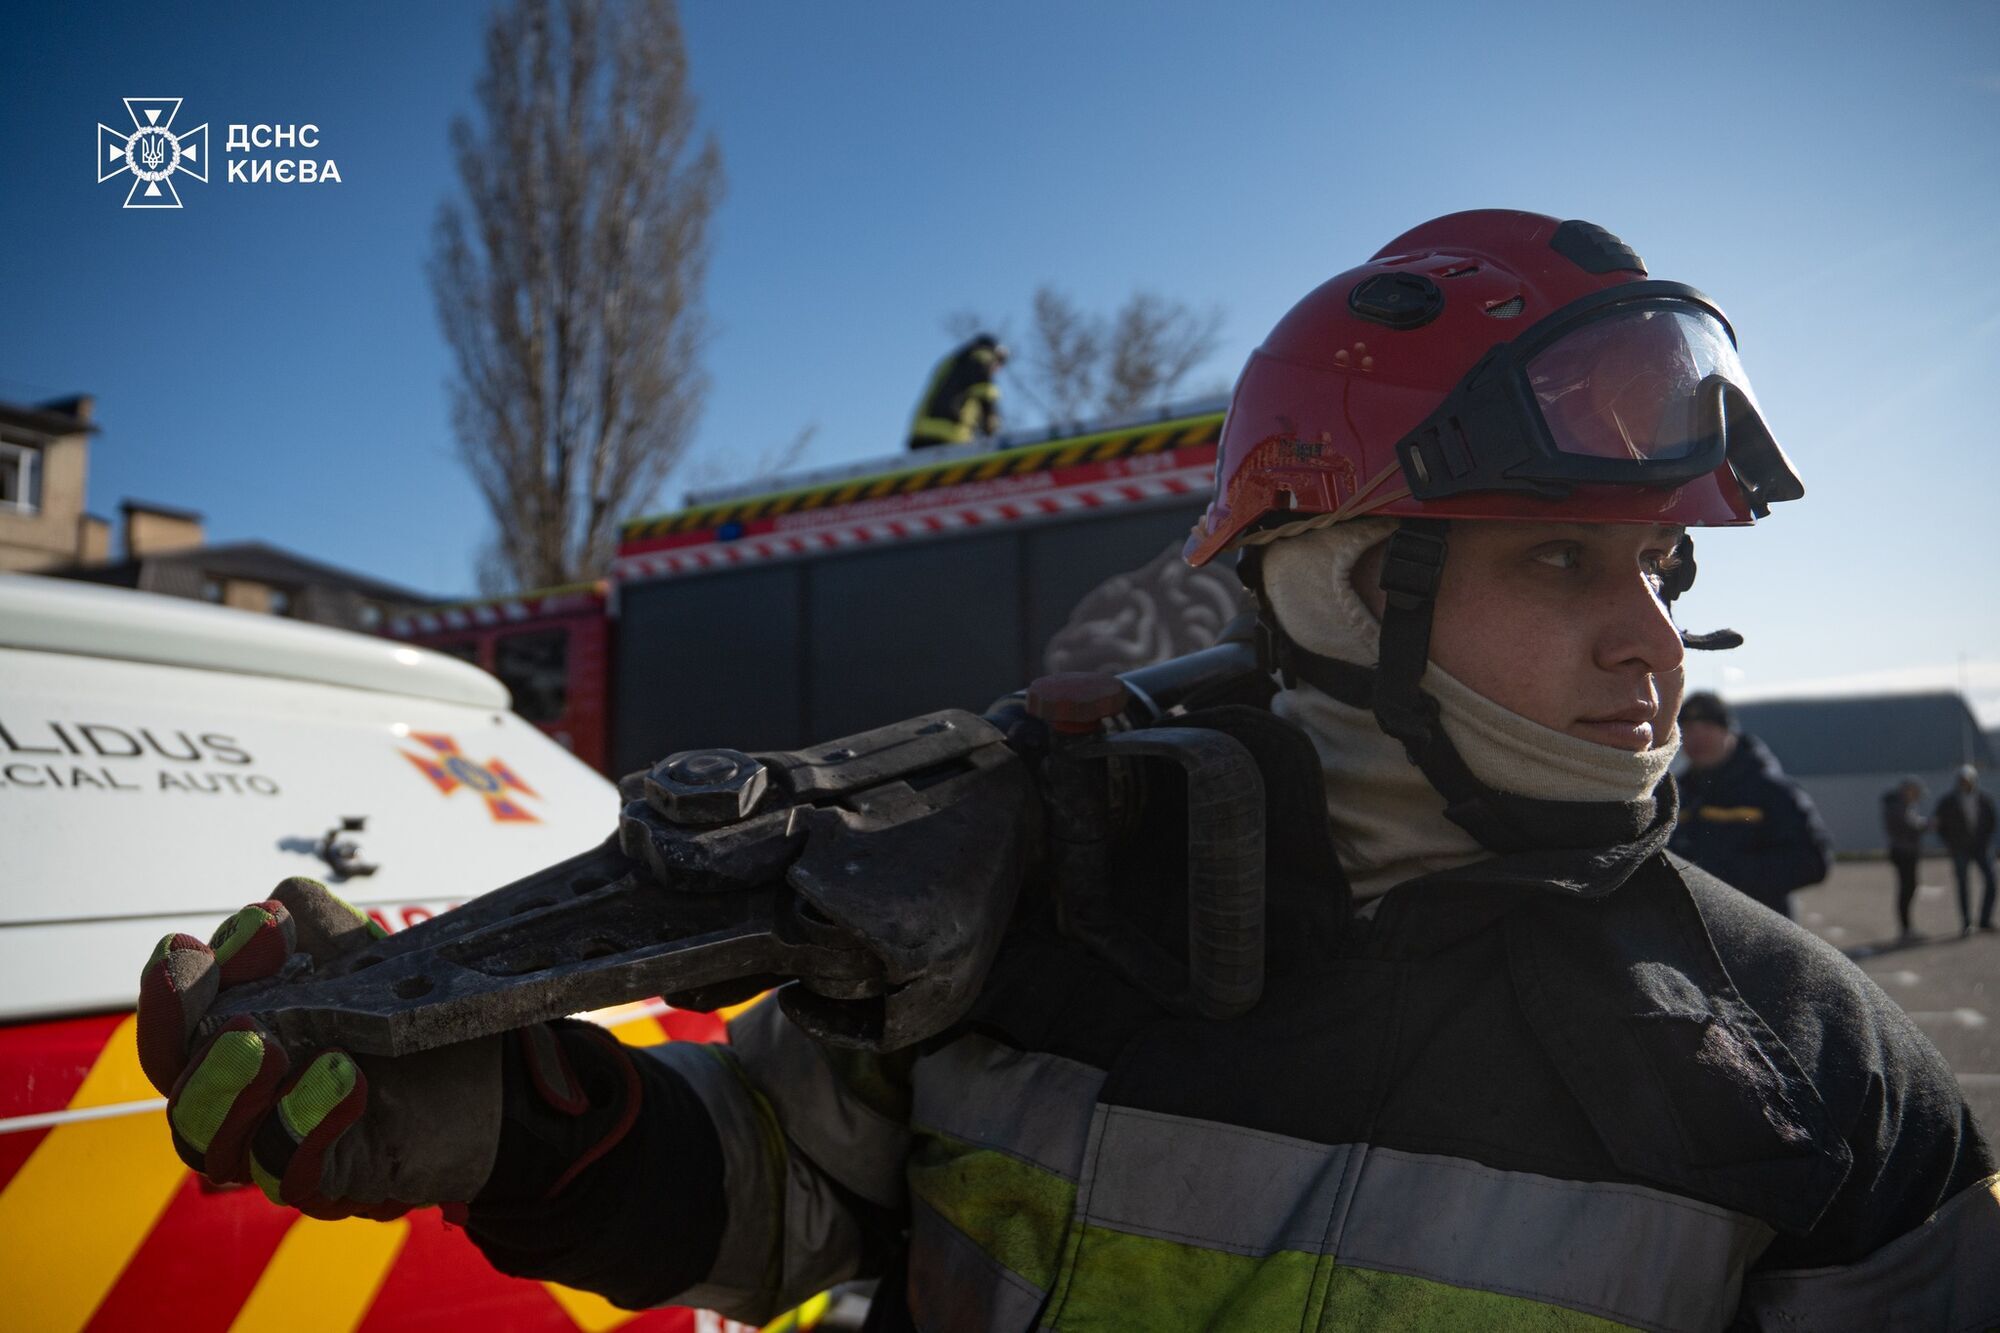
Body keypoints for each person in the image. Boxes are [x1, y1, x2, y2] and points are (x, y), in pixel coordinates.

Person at [138, 212, 1998, 1330]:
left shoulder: (1823, 1076)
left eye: (1666, 573)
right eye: (1564, 560)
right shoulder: (1016, 887)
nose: (1656, 643)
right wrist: (531, 1131)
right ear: (1347, 589)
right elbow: (784, 1189)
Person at [1668, 690, 1834, 919]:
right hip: (1696, 931)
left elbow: (1813, 861)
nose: (1697, 738)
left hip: (1759, 930)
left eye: (1707, 728)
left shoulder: (1770, 789)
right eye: (1688, 730)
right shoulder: (1677, 793)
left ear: (1728, 731)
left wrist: (1720, 878)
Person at [906, 332, 1006, 450]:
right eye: (1000, 363)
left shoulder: (953, 363)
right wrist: (992, 425)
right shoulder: (979, 357)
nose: (997, 370)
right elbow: (985, 391)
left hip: (920, 434)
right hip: (950, 435)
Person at [1934, 763, 1998, 935]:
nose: (1965, 783)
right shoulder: (1948, 802)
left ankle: (1984, 920)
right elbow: (1940, 825)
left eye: (1968, 780)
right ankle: (1966, 923)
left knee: (1991, 882)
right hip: (1960, 848)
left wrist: (1986, 841)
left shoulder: (1984, 799)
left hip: (1981, 848)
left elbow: (1992, 822)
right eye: (1962, 780)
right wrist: (1950, 844)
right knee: (1963, 884)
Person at [1882, 776, 1930, 941]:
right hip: (1903, 852)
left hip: (1907, 851)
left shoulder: (1904, 805)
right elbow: (1908, 826)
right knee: (1906, 888)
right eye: (1914, 792)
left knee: (1909, 888)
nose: (1916, 795)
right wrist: (1925, 825)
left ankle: (1907, 928)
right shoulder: (1897, 806)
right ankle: (1905, 929)